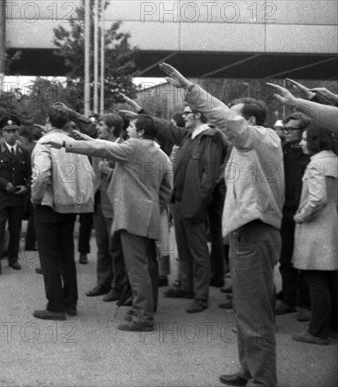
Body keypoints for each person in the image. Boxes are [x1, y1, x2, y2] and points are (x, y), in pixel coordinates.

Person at [160, 63, 284, 387]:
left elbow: (224, 119)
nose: (227, 120)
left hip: (255, 233)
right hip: (245, 233)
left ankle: (262, 378)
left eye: (235, 115)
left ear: (251, 121)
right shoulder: (248, 145)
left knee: (256, 314)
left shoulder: (260, 139)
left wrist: (191, 88)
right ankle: (248, 368)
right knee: (244, 310)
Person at [44, 114, 172, 331]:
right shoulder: (160, 154)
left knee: (136, 269)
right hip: (148, 216)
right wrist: (153, 208)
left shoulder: (134, 147)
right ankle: (145, 309)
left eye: (131, 126)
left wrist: (65, 143)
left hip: (132, 217)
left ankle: (143, 318)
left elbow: (102, 150)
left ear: (140, 132)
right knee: (147, 264)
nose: (128, 130)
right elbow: (167, 188)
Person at [150, 104, 227, 313]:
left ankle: (201, 296)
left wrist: (199, 202)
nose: (183, 117)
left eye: (186, 113)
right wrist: (142, 116)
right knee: (183, 249)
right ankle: (186, 286)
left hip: (194, 204)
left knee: (199, 252)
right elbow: (167, 128)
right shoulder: (189, 136)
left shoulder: (209, 138)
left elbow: (209, 177)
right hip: (181, 200)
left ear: (198, 115)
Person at [31, 104, 95, 321]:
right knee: (67, 256)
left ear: (48, 121)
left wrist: (35, 198)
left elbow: (40, 175)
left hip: (48, 205)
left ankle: (55, 306)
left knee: (49, 258)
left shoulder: (44, 143)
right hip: (70, 206)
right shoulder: (73, 143)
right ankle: (71, 303)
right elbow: (88, 174)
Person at [291, 126, 338, 345]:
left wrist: (301, 216)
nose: (301, 143)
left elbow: (317, 199)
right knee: (330, 280)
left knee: (316, 280)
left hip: (316, 229)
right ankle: (331, 327)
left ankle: (317, 331)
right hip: (332, 226)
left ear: (315, 141)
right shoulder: (334, 160)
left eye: (304, 139)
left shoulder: (316, 164)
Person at [84, 113, 128, 303]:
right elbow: (94, 175)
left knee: (115, 248)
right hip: (99, 202)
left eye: (101, 125)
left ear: (111, 128)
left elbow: (127, 178)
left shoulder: (125, 148)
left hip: (116, 204)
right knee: (102, 246)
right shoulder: (98, 145)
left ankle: (118, 287)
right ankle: (103, 282)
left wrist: (108, 173)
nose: (98, 128)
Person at [276, 113, 312, 321]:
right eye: (285, 129)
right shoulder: (283, 150)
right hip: (285, 210)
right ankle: (289, 298)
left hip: (302, 212)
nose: (285, 132)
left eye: (291, 129)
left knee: (303, 260)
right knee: (286, 257)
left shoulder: (309, 154)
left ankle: (304, 302)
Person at [0, 118, 31, 277]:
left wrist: (26, 187)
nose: (12, 134)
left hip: (17, 199)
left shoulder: (24, 152)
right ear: (2, 133)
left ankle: (13, 258)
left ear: (18, 132)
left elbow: (30, 176)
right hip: (0, 197)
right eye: (8, 131)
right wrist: (5, 184)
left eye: (14, 130)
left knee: (15, 230)